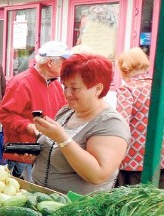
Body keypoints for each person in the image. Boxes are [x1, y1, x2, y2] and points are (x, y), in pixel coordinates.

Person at [30, 53, 129, 194]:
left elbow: (97, 175)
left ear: (98, 89)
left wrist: (61, 138)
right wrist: (37, 152)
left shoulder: (111, 124)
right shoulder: (67, 112)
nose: (67, 93)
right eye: (64, 86)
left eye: (74, 88)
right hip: (42, 201)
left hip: (76, 209)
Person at [0, 41, 70, 180]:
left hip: (47, 152)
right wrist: (28, 126)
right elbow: (4, 114)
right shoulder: (21, 82)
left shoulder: (56, 85)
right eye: (63, 62)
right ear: (50, 62)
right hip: (24, 155)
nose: (66, 66)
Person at [115, 47, 164, 188]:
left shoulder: (127, 90)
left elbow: (121, 124)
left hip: (134, 163)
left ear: (124, 69)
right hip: (160, 159)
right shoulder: (159, 86)